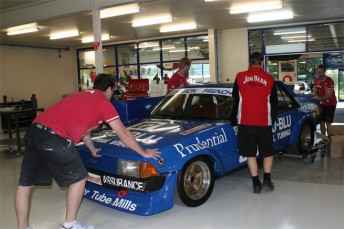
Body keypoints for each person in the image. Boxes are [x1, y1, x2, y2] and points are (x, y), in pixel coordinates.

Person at [14, 74, 160, 229]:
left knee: (25, 185)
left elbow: (84, 131)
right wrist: (143, 152)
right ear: (109, 89)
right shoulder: (103, 103)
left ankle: (22, 228)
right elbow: (123, 133)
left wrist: (92, 149)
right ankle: (70, 224)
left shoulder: (80, 95)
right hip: (53, 137)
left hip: (33, 131)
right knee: (79, 178)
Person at [231, 52, 277, 194]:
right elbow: (274, 103)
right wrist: (273, 120)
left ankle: (256, 183)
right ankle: (267, 180)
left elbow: (235, 98)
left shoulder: (240, 76)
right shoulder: (270, 79)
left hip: (245, 122)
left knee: (250, 153)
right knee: (267, 152)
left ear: (250, 62)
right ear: (262, 63)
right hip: (264, 122)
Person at [312, 64, 337, 137]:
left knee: (328, 122)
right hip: (322, 104)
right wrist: (314, 95)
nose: (320, 74)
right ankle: (323, 138)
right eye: (318, 72)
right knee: (321, 122)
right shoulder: (316, 80)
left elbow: (329, 95)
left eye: (321, 72)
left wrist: (319, 98)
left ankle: (329, 138)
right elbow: (315, 91)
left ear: (324, 72)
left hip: (331, 104)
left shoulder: (330, 81)